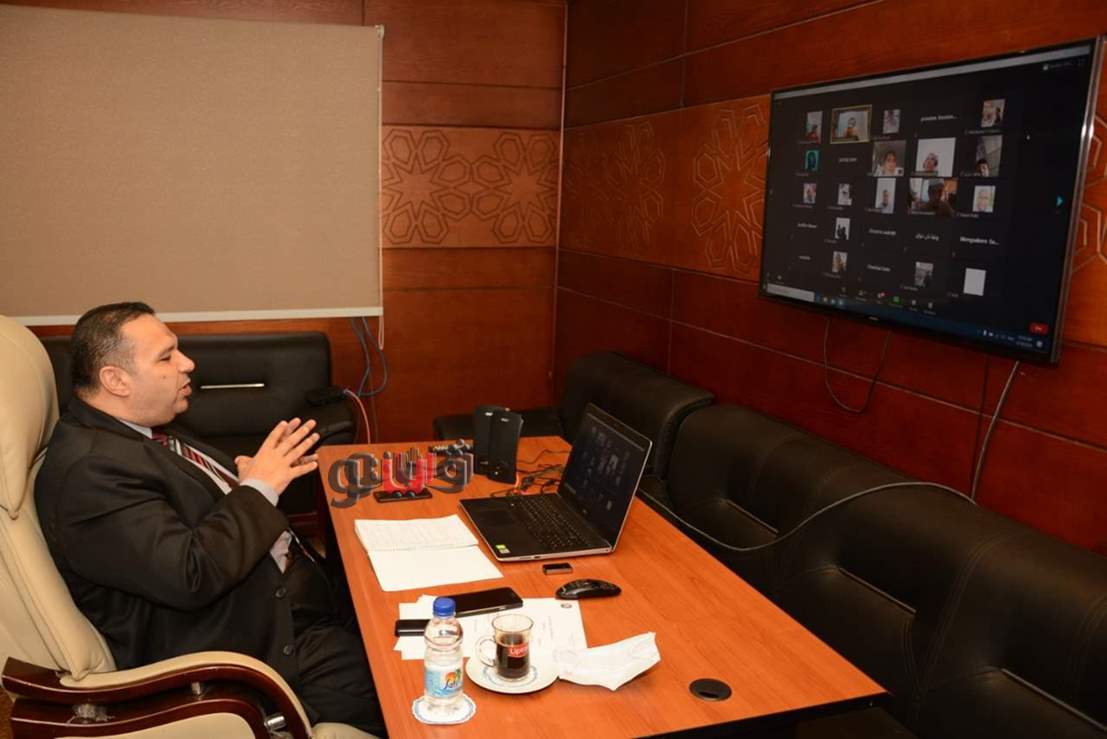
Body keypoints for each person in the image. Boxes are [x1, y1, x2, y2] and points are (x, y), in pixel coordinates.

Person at [35, 303, 384, 734]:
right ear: (115, 380)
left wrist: (242, 484)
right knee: (406, 679)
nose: (187, 364)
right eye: (166, 357)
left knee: (395, 608)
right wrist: (259, 489)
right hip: (254, 649)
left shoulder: (140, 430)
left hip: (287, 602)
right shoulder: (91, 474)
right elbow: (190, 573)